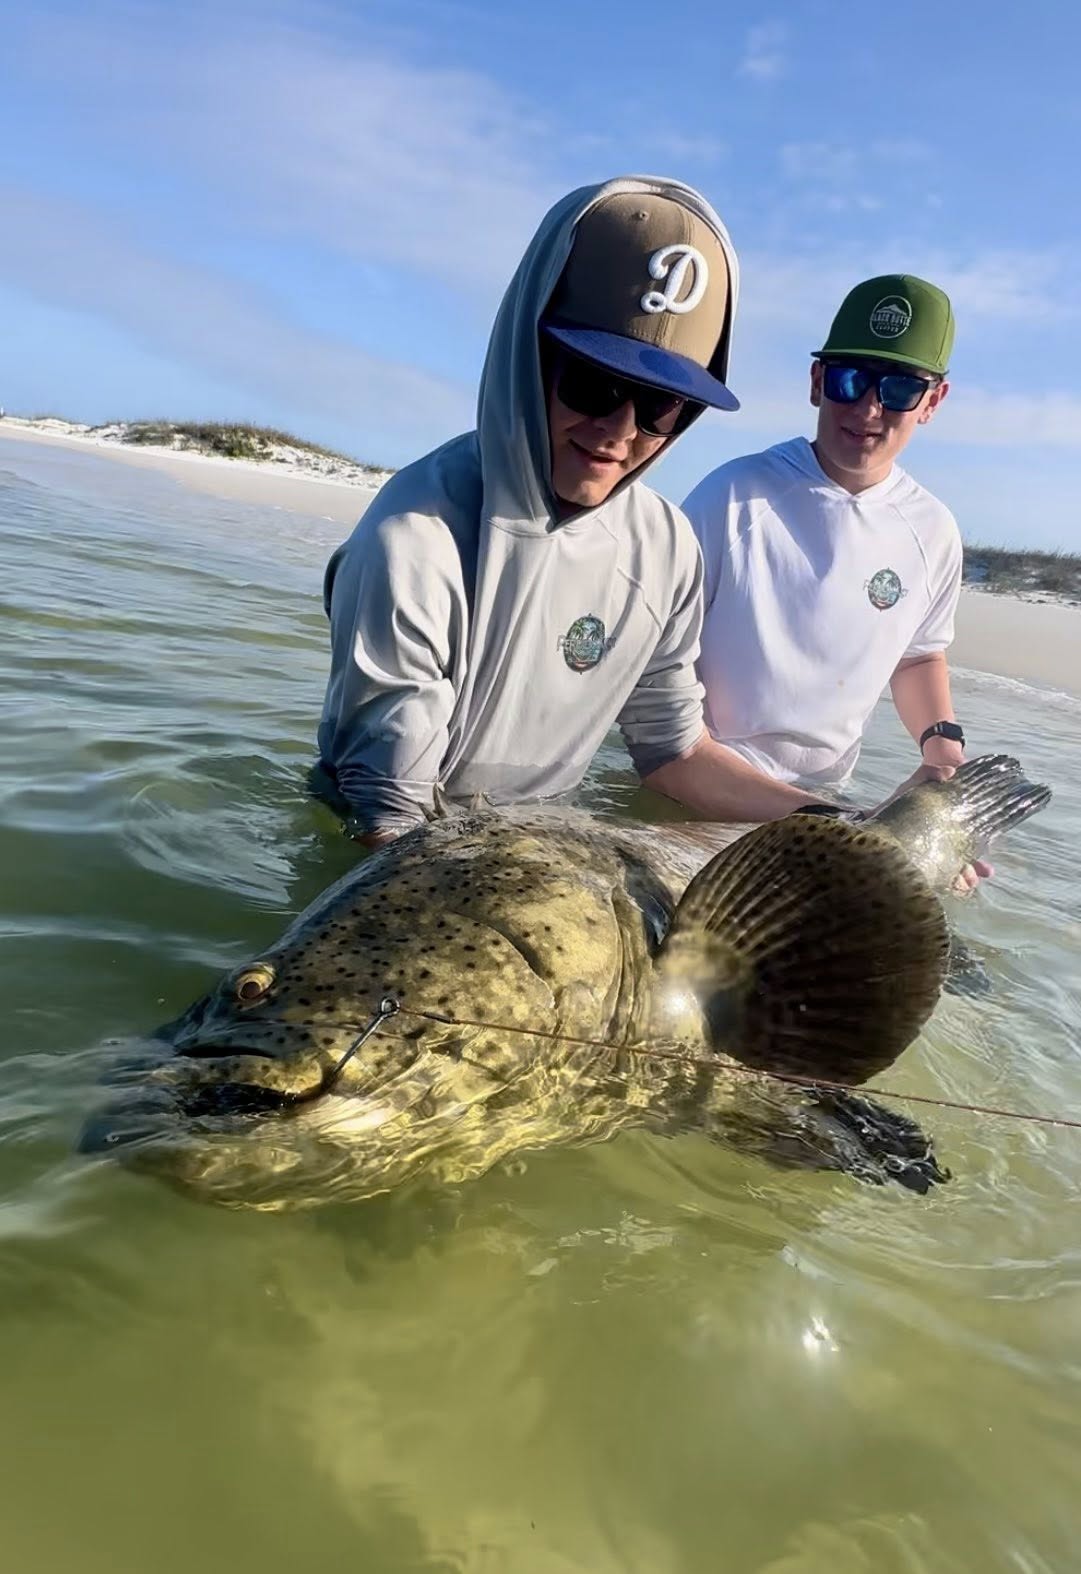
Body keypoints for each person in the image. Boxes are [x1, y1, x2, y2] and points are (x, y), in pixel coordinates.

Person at [315, 176, 840, 846]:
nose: (619, 431)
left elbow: (674, 752)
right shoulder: (412, 541)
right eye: (595, 384)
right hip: (383, 851)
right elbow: (388, 817)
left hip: (539, 845)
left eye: (660, 406)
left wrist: (837, 827)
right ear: (528, 358)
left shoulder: (667, 548)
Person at [681, 273, 990, 886]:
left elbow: (918, 655)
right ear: (817, 381)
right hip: (700, 797)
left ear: (933, 402)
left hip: (824, 803)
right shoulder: (733, 495)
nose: (869, 408)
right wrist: (859, 829)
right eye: (850, 378)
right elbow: (657, 674)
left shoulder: (932, 530)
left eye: (899, 388)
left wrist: (941, 749)